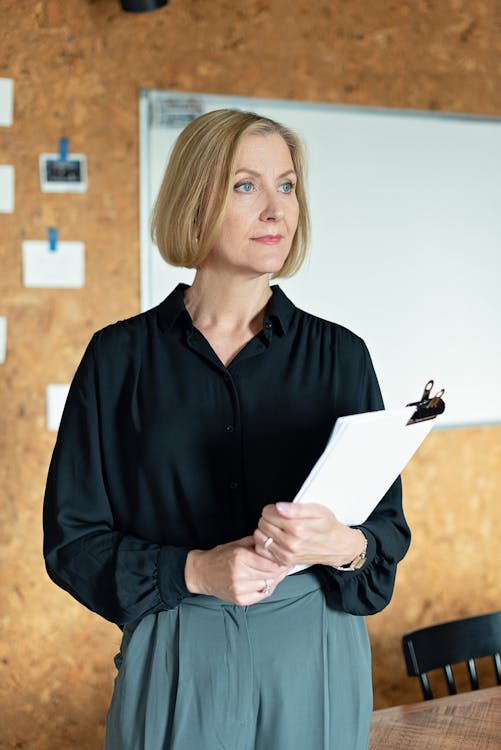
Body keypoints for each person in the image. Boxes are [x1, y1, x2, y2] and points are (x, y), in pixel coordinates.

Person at [43, 109, 411, 750]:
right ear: (195, 201)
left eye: (287, 185)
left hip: (316, 645)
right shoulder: (117, 358)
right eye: (246, 186)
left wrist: (341, 545)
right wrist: (194, 572)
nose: (276, 210)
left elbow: (386, 534)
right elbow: (73, 543)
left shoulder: (342, 355)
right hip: (176, 642)